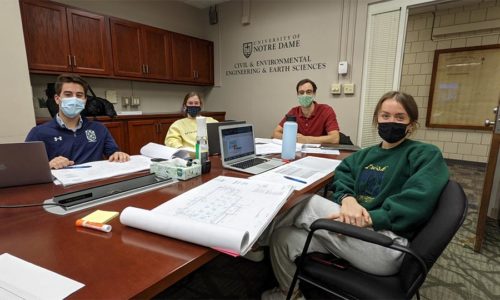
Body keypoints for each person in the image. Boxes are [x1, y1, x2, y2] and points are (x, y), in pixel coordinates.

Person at [261, 91, 449, 300]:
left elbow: (418, 202)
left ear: (411, 124)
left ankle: (254, 240)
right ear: (376, 119)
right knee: (283, 238)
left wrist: (367, 219)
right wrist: (347, 200)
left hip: (387, 244)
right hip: (351, 232)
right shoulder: (364, 155)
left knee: (309, 203)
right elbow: (343, 173)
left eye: (400, 117)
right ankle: (291, 294)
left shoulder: (425, 154)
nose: (391, 122)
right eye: (385, 116)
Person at [25, 74, 129, 169]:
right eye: (68, 94)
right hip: (61, 187)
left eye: (79, 95)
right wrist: (48, 166)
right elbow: (28, 169)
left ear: (85, 100)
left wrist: (118, 155)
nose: (74, 99)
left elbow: (114, 153)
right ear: (57, 99)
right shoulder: (38, 133)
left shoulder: (99, 129)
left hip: (94, 184)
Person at [272, 79, 340, 144]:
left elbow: (335, 139)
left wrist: (307, 139)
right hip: (299, 153)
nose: (305, 95)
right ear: (297, 95)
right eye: (301, 92)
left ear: (314, 94)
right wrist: (293, 138)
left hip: (321, 153)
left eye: (308, 92)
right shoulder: (293, 112)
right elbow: (275, 133)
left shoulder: (326, 110)